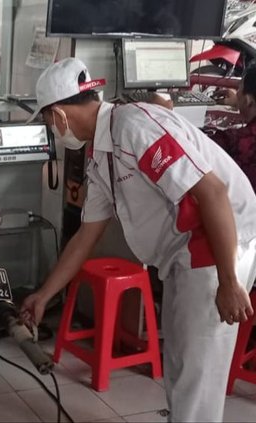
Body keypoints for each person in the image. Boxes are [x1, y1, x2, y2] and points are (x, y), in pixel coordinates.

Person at [21, 57, 256, 422]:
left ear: (60, 115)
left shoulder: (133, 125)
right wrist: (43, 295)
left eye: (49, 120)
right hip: (187, 251)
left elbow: (212, 192)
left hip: (217, 243)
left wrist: (228, 282)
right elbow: (87, 235)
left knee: (197, 377)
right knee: (182, 364)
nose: (52, 129)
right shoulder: (101, 155)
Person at [206, 64, 256, 192]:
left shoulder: (234, 140)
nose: (237, 92)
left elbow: (196, 145)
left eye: (239, 88)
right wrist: (239, 102)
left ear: (249, 101)